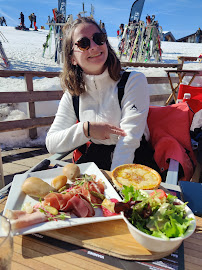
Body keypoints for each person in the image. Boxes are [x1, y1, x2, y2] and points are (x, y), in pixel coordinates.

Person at [46, 17, 150, 171]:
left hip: (133, 160)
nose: (94, 46)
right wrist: (86, 130)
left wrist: (116, 182)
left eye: (98, 38)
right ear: (72, 59)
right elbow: (52, 143)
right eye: (83, 44)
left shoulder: (133, 80)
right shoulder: (73, 93)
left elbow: (129, 139)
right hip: (94, 160)